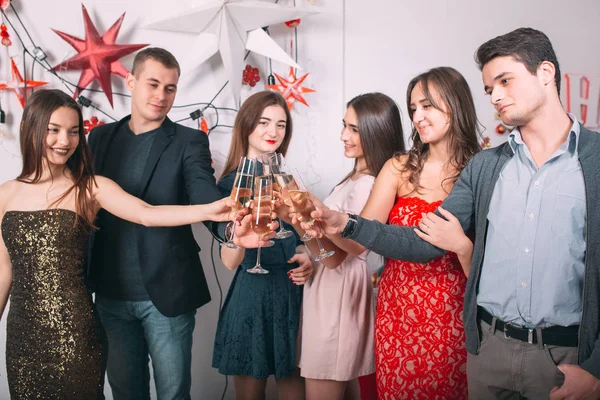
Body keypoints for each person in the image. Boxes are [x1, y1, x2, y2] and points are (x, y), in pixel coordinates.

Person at [306, 28, 600, 400]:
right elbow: (418, 241)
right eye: (490, 87)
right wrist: (339, 222)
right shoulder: (490, 167)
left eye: (504, 81)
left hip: (540, 344)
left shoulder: (581, 161)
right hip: (474, 340)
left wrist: (594, 368)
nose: (495, 95)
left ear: (545, 73)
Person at [0, 89, 237, 399]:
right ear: (30, 128)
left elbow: (147, 214)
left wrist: (210, 209)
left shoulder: (90, 187)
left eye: (73, 132)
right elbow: (4, 270)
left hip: (75, 332)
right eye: (53, 130)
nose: (64, 141)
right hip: (23, 335)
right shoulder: (6, 193)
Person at [87, 47, 265, 400]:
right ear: (132, 81)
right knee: (125, 392)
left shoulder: (189, 141)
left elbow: (205, 198)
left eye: (170, 88)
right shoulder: (99, 138)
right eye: (153, 84)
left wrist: (231, 230)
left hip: (167, 292)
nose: (161, 96)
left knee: (174, 394)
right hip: (108, 292)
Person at [289, 92, 406, 400]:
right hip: (331, 291)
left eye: (354, 129)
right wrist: (301, 226)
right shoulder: (356, 177)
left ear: (376, 131)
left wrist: (302, 216)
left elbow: (351, 250)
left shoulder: (368, 182)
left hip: (339, 297)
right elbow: (327, 254)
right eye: (345, 126)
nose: (343, 135)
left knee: (323, 385)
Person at [212, 90, 312, 400]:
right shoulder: (232, 185)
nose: (273, 132)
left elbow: (307, 238)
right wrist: (240, 239)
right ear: (246, 126)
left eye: (281, 125)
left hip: (291, 293)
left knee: (295, 386)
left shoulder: (289, 181)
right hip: (252, 295)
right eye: (264, 122)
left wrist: (308, 257)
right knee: (250, 393)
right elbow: (229, 262)